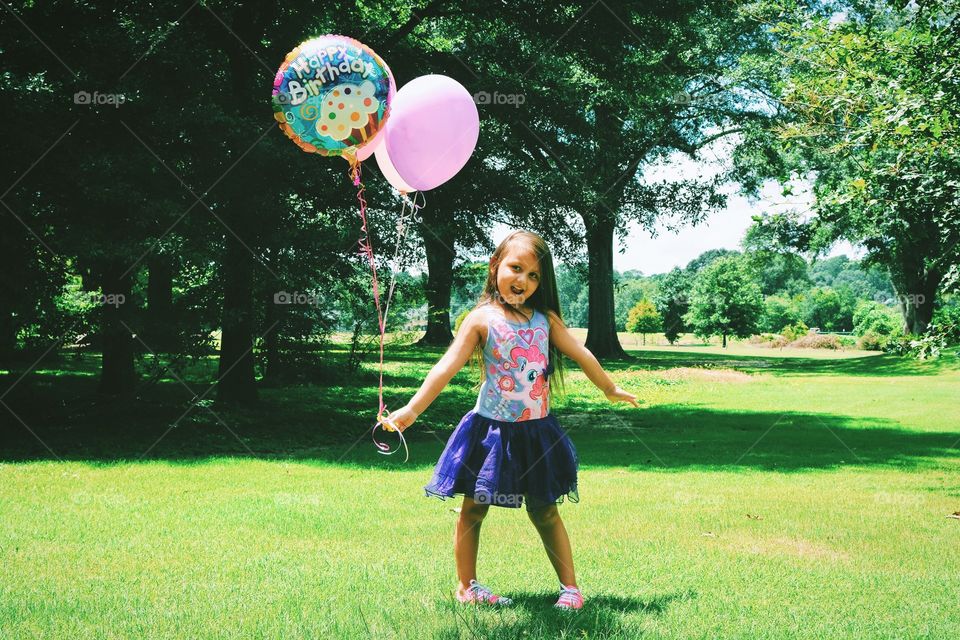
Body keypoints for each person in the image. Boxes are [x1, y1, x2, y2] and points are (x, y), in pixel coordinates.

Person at [386, 230, 638, 611]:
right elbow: (445, 368)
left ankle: (570, 588)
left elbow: (582, 354)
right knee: (473, 508)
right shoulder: (481, 319)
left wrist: (609, 388)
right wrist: (411, 410)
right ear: (496, 267)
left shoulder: (545, 320)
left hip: (537, 433)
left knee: (545, 509)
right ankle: (467, 587)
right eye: (516, 268)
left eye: (534, 276)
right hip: (490, 433)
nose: (523, 280)